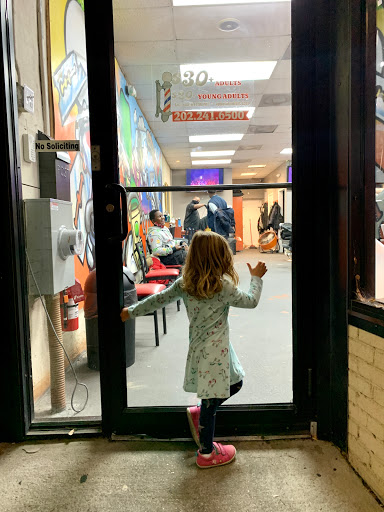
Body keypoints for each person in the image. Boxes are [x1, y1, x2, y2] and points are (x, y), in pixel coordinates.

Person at [121, 230, 267, 469]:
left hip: (202, 348)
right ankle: (206, 453)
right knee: (215, 398)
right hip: (217, 352)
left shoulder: (185, 284)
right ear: (220, 258)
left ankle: (200, 412)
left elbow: (158, 300)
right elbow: (251, 301)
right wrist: (256, 277)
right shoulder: (223, 286)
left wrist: (131, 311)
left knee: (228, 387)